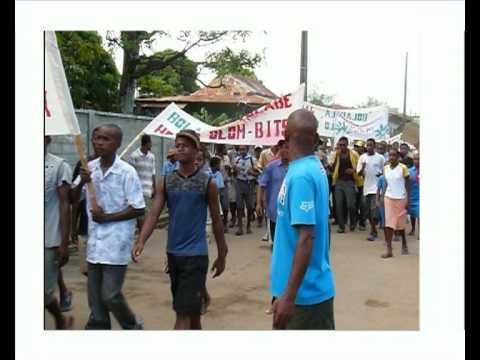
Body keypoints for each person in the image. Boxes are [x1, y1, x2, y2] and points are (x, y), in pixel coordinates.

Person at [132, 130, 228, 330]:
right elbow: (154, 214)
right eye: (178, 145)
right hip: (174, 254)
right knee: (193, 317)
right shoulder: (166, 181)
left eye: (185, 145)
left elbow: (217, 222)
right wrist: (141, 240)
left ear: (196, 151)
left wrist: (222, 253)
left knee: (182, 314)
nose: (180, 148)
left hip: (196, 255)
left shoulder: (207, 183)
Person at [71, 124, 146, 330]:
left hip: (116, 242)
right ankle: (100, 326)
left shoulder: (126, 172)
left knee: (110, 295)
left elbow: (138, 208)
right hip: (94, 242)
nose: (99, 143)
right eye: (97, 138)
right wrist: (81, 182)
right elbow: (71, 198)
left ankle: (131, 325)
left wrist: (107, 218)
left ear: (118, 143)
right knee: (95, 299)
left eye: (106, 139)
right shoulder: (88, 167)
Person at [270, 109, 335, 330]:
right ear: (316, 139)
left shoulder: (301, 176)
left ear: (285, 135)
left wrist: (288, 296)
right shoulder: (314, 167)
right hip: (300, 289)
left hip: (303, 296)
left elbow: (306, 237)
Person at [44, 135, 74, 329]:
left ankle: (60, 319)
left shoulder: (59, 166)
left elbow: (65, 205)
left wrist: (64, 243)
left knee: (43, 293)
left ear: (48, 139)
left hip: (48, 238)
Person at [256, 140, 289, 249]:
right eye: (284, 147)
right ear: (280, 149)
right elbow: (261, 185)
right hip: (274, 211)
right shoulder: (271, 167)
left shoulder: (296, 167)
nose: (286, 150)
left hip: (291, 212)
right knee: (276, 244)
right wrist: (259, 204)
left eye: (289, 148)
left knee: (289, 244)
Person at [380, 148, 411, 258]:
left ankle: (404, 243)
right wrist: (382, 196)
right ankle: (389, 249)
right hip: (389, 197)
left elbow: (408, 182)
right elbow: (386, 183)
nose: (392, 157)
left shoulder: (403, 168)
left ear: (398, 157)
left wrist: (408, 198)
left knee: (399, 225)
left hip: (401, 198)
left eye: (394, 155)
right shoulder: (386, 168)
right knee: (388, 224)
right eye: (390, 155)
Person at [329, 137, 362, 233]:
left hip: (350, 182)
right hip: (338, 182)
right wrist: (333, 161)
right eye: (340, 145)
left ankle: (352, 222)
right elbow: (332, 167)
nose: (342, 147)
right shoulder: (336, 154)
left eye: (344, 145)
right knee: (338, 205)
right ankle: (341, 226)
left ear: (347, 145)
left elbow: (360, 167)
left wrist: (353, 170)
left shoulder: (354, 154)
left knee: (351, 204)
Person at [356, 139, 385, 241]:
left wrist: (381, 174)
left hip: (376, 188)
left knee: (373, 211)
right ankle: (374, 230)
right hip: (366, 188)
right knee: (368, 212)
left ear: (374, 146)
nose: (369, 147)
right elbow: (358, 174)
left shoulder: (380, 158)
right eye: (367, 145)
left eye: (371, 145)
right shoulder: (362, 158)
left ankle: (373, 232)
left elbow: (385, 171)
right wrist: (363, 167)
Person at [128, 134, 156, 231]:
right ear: (147, 143)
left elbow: (153, 172)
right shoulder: (134, 155)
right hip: (137, 189)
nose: (152, 145)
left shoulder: (152, 156)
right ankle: (141, 231)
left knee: (146, 212)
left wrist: (154, 187)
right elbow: (131, 173)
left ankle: (142, 232)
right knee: (139, 212)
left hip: (148, 189)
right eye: (150, 143)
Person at [233, 145, 258, 235]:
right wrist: (235, 170)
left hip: (249, 184)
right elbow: (233, 174)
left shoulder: (252, 160)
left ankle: (248, 226)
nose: (242, 151)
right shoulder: (236, 160)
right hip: (239, 183)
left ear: (247, 150)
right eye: (240, 149)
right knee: (239, 206)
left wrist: (252, 173)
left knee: (250, 206)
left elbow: (258, 173)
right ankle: (240, 227)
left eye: (243, 149)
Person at [407, 152, 420, 239]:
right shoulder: (409, 171)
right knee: (412, 215)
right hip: (412, 195)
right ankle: (412, 229)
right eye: (415, 159)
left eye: (418, 159)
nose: (417, 161)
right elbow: (407, 183)